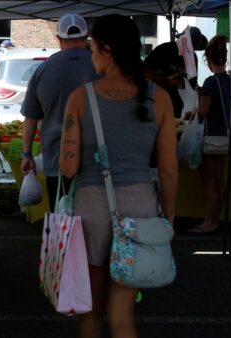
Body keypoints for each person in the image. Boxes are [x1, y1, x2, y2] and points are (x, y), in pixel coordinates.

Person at [59, 15, 177, 338]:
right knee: (122, 316)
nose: (91, 55)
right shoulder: (161, 98)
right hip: (141, 209)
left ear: (107, 50)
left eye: (93, 48)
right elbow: (168, 168)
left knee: (91, 314)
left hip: (93, 209)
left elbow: (68, 169)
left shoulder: (81, 98)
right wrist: (168, 215)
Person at [21, 13, 98, 212]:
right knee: (94, 216)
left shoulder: (43, 70)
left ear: (58, 38)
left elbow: (30, 118)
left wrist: (26, 154)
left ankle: (62, 243)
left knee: (61, 216)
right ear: (87, 35)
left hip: (57, 157)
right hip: (96, 157)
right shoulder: (100, 66)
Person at [188, 35, 231, 234]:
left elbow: (203, 112)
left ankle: (210, 222)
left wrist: (193, 111)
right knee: (219, 180)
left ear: (208, 58)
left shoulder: (211, 82)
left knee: (211, 181)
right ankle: (214, 220)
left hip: (212, 135)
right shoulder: (230, 80)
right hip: (225, 134)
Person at [144, 26, 208, 118]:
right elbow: (144, 72)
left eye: (193, 48)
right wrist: (165, 80)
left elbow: (191, 85)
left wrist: (184, 84)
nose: (191, 51)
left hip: (179, 110)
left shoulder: (193, 59)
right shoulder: (163, 50)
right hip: (157, 105)